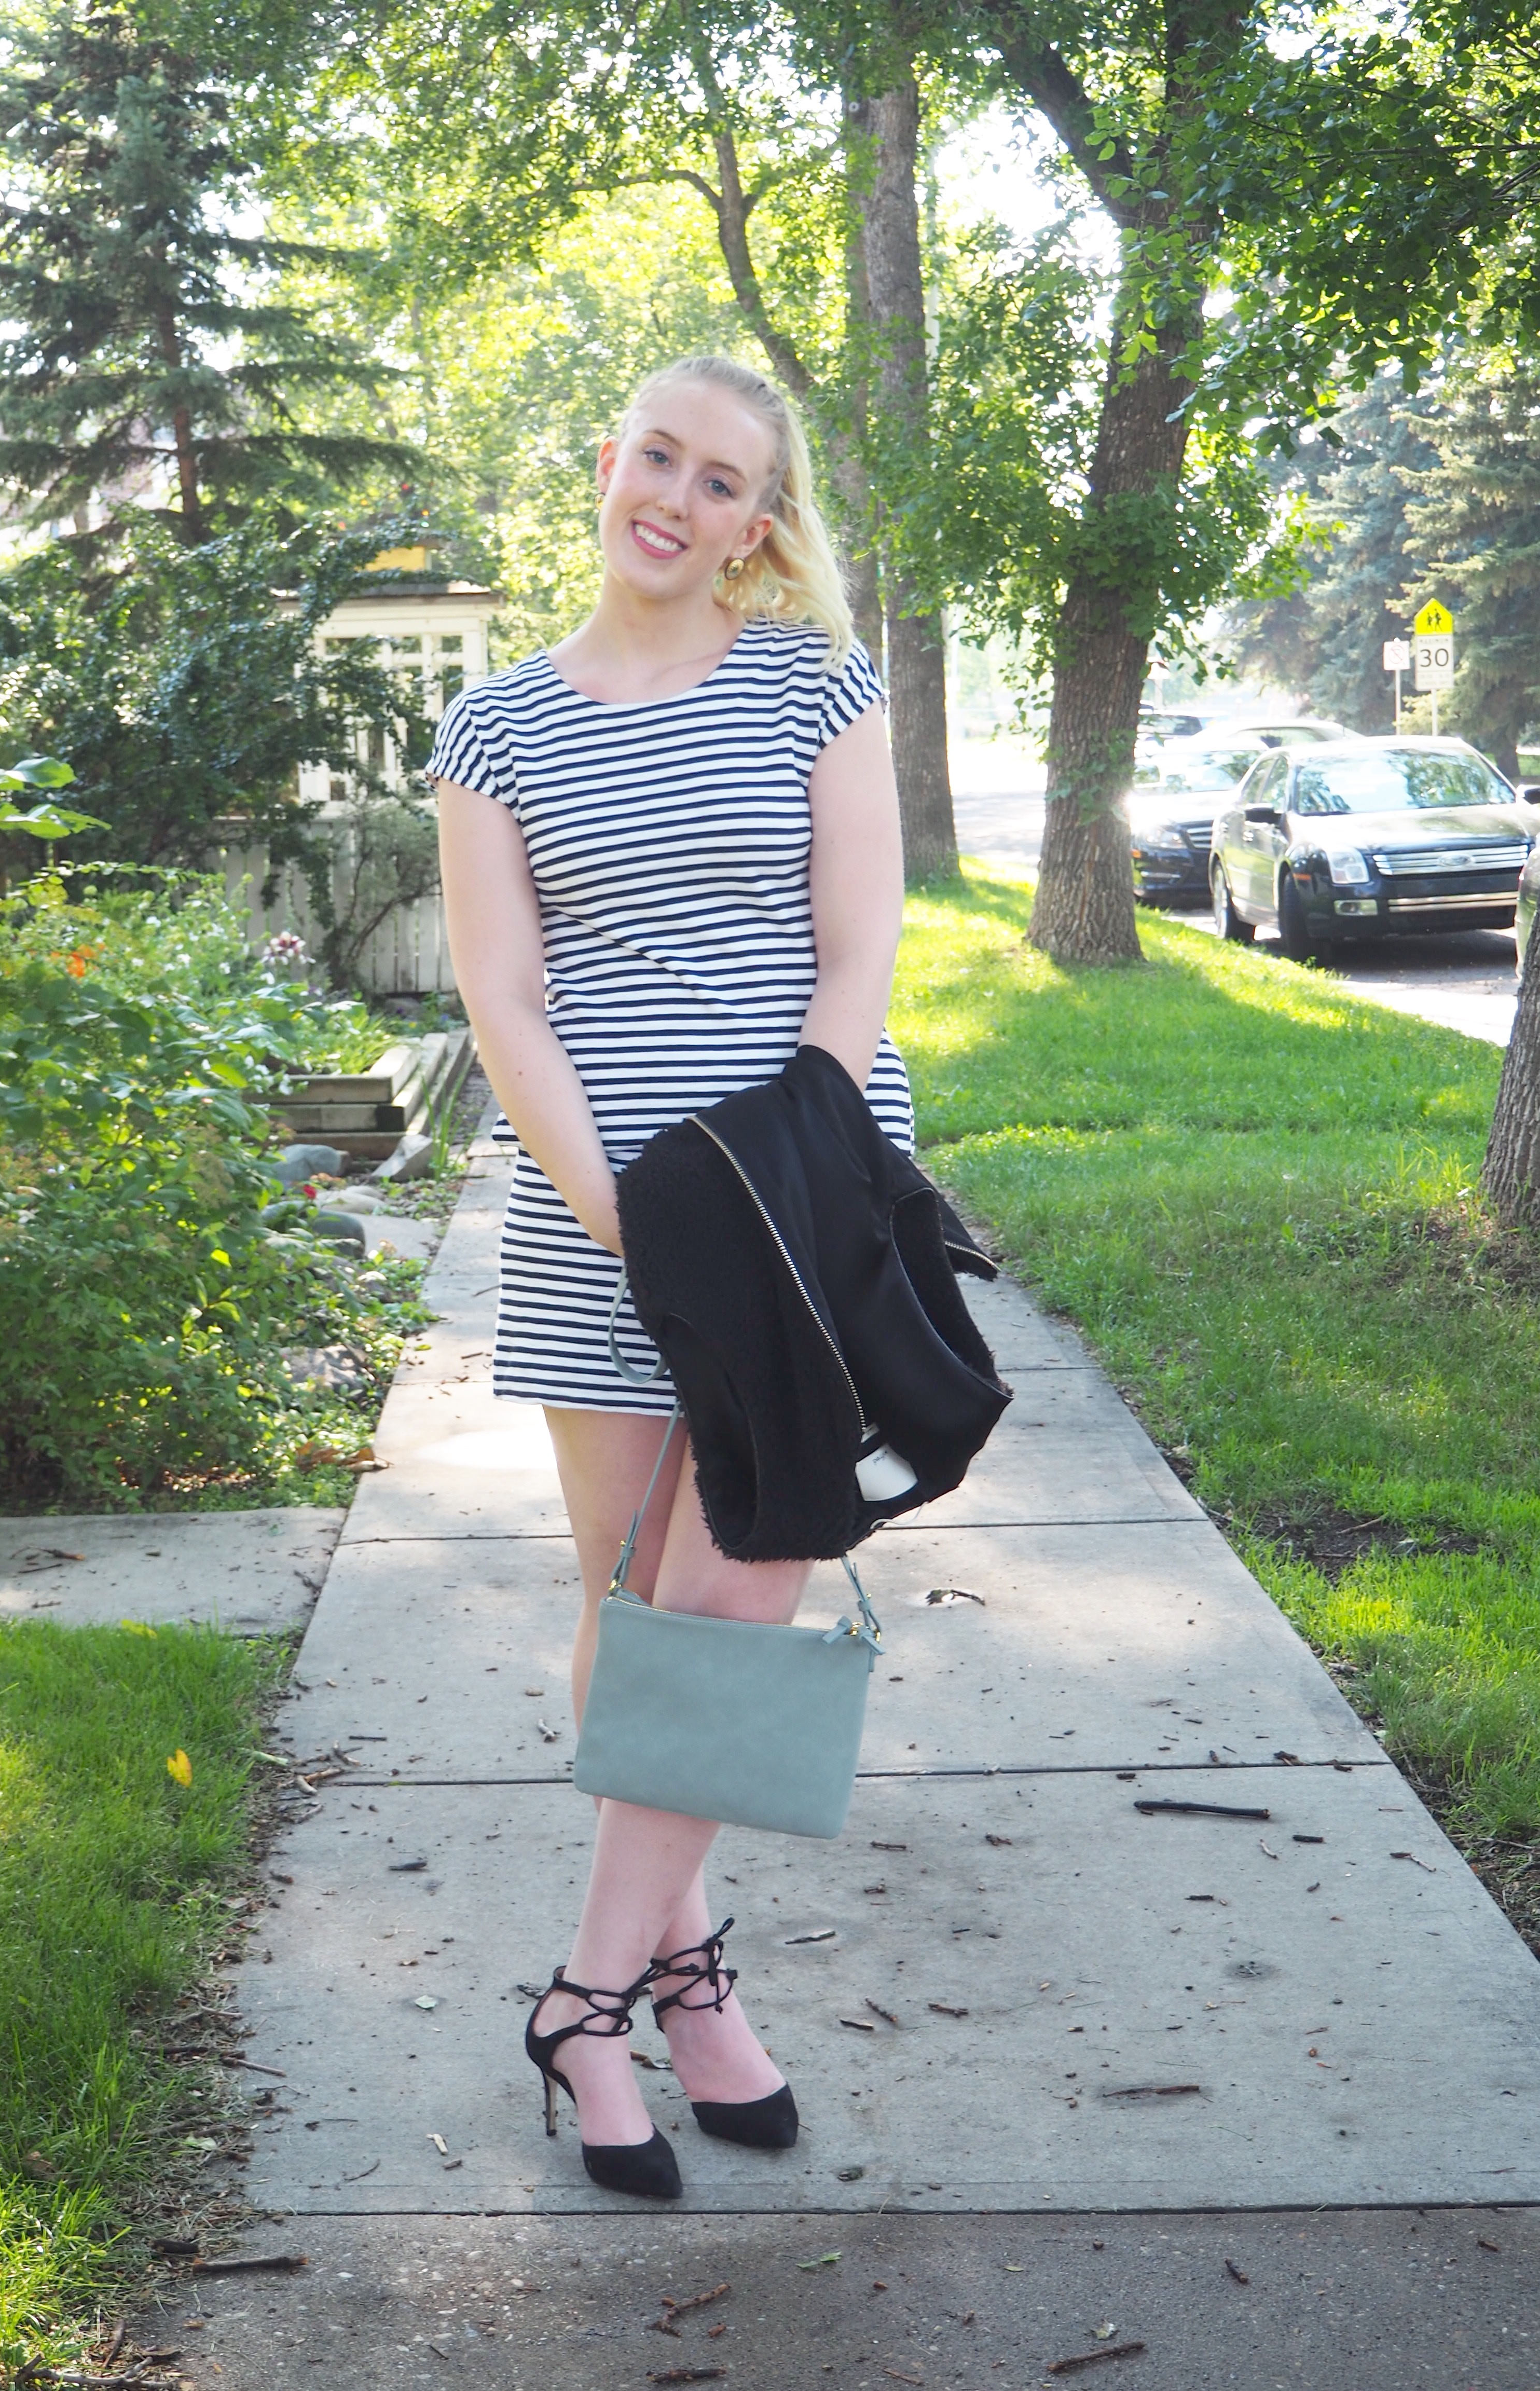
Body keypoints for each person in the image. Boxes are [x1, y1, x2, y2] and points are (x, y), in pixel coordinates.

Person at [430, 352, 910, 2200]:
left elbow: (858, 956)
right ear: (610, 462)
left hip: (800, 1186)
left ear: (760, 523)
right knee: (632, 1602)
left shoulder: (817, 686)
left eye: (725, 482)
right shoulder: (493, 729)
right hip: (597, 1205)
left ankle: (580, 1995)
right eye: (658, 457)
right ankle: (687, 1984)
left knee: (743, 1586)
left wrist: (776, 1209)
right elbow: (507, 996)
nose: (680, 500)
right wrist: (641, 1218)